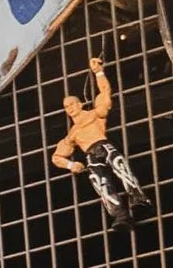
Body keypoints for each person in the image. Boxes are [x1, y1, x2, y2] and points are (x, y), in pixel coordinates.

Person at [53, 53, 150, 228]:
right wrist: (70, 165)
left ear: (80, 104)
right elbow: (57, 156)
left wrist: (99, 73)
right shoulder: (72, 133)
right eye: (66, 107)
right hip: (90, 155)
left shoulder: (94, 114)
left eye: (72, 104)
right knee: (102, 185)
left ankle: (138, 197)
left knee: (121, 168)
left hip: (104, 146)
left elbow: (105, 93)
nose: (70, 108)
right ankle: (121, 216)